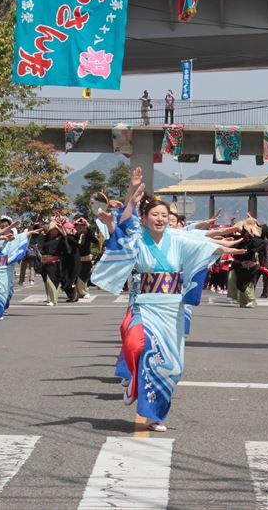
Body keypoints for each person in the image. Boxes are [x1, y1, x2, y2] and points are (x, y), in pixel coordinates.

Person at [92, 168, 241, 431]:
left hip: (172, 309)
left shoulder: (177, 239)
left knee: (169, 365)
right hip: (145, 305)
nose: (160, 219)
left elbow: (201, 246)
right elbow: (124, 222)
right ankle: (135, 382)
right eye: (155, 215)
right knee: (135, 342)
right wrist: (132, 190)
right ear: (146, 218)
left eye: (164, 215)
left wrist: (227, 248)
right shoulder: (137, 239)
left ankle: (154, 416)